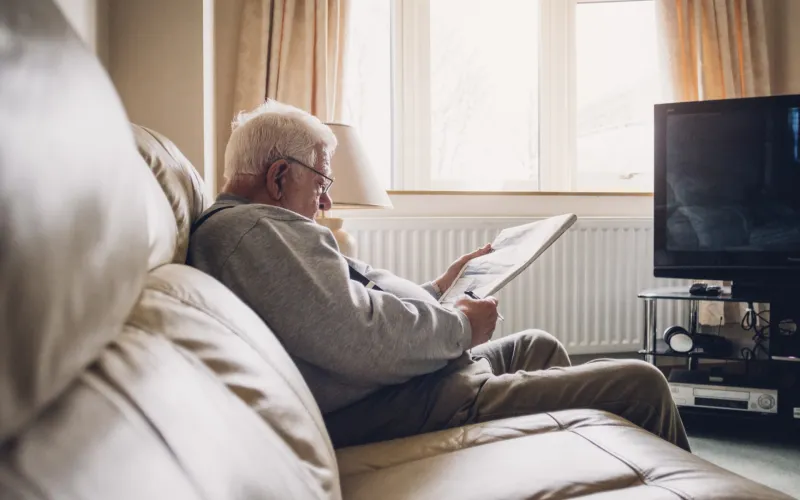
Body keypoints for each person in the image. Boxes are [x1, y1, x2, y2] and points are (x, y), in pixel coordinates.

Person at [187, 100, 690, 452]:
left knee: (535, 343)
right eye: (321, 182)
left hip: (420, 382)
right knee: (642, 383)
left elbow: (346, 310)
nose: (326, 201)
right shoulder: (256, 233)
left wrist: (438, 290)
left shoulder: (260, 232)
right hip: (418, 402)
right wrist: (460, 326)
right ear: (278, 177)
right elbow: (359, 339)